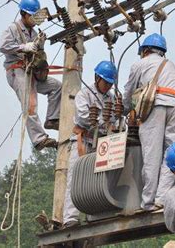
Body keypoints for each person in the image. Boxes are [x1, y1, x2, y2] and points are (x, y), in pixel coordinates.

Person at [122, 33, 175, 211]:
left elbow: (128, 92)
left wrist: (124, 110)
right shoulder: (172, 65)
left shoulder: (140, 64)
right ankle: (162, 199)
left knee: (152, 154)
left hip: (156, 106)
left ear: (144, 51)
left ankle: (149, 202)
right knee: (171, 154)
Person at [0, 0, 61, 151]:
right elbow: (4, 46)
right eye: (32, 16)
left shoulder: (33, 33)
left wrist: (39, 46)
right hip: (16, 70)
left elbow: (37, 56)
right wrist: (23, 47)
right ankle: (39, 139)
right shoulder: (13, 28)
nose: (34, 20)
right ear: (24, 14)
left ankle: (53, 118)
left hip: (31, 71)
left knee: (56, 86)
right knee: (30, 103)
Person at [62, 61, 118, 228]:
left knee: (99, 179)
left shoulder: (112, 98)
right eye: (105, 82)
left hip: (101, 143)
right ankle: (70, 218)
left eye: (110, 83)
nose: (107, 86)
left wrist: (110, 124)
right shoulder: (84, 94)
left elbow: (114, 119)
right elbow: (84, 118)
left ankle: (95, 214)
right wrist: (104, 122)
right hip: (83, 141)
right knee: (75, 177)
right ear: (97, 78)